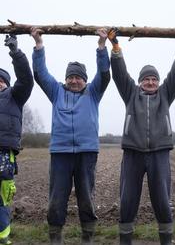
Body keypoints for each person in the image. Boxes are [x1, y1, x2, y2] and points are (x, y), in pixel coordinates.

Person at [106, 28, 175, 245]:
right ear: (140, 82)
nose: (151, 82)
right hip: (133, 153)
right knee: (128, 200)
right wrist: (115, 48)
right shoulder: (130, 93)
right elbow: (119, 74)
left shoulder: (166, 94)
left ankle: (166, 240)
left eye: (154, 79)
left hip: (159, 154)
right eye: (147, 79)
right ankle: (125, 240)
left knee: (162, 200)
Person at [30, 27, 110, 245]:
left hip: (87, 152)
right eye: (70, 77)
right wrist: (38, 45)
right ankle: (56, 238)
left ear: (84, 80)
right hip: (60, 153)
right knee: (57, 199)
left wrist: (101, 47)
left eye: (78, 77)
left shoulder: (93, 92)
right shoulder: (56, 91)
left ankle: (87, 238)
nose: (74, 81)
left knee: (86, 198)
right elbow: (40, 74)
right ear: (65, 79)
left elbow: (104, 74)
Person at [0, 34, 34, 244]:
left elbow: (26, 79)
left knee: (2, 198)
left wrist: (16, 53)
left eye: (1, 80)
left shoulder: (15, 95)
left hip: (4, 154)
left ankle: (3, 237)